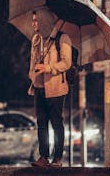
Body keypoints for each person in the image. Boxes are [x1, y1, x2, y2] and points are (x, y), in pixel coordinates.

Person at [28, 10, 72, 168]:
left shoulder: (62, 38)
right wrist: (32, 75)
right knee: (41, 123)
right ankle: (44, 156)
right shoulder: (36, 39)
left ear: (45, 21)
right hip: (39, 87)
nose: (34, 24)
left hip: (55, 89)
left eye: (36, 20)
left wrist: (48, 67)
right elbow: (32, 61)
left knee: (56, 123)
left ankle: (57, 158)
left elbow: (66, 63)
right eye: (33, 20)